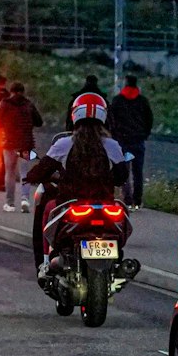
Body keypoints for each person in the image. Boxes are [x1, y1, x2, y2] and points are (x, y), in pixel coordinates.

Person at [24, 93, 131, 270]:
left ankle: (45, 261)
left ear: (75, 115)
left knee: (47, 209)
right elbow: (122, 176)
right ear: (103, 117)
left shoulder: (64, 144)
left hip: (70, 203)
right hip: (104, 204)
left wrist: (31, 176)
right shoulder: (112, 145)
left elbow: (40, 171)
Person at [0, 81, 43, 213]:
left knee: (9, 172)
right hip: (26, 144)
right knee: (24, 172)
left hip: (9, 143)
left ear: (11, 91)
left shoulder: (5, 103)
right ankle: (25, 200)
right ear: (23, 92)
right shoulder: (28, 104)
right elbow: (39, 122)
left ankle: (9, 203)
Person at [108, 73, 154, 209]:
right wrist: (145, 134)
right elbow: (149, 119)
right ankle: (137, 201)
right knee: (138, 172)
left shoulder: (117, 100)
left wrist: (114, 135)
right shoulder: (143, 101)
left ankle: (127, 200)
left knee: (125, 171)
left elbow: (111, 119)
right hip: (138, 141)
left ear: (125, 84)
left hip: (123, 141)